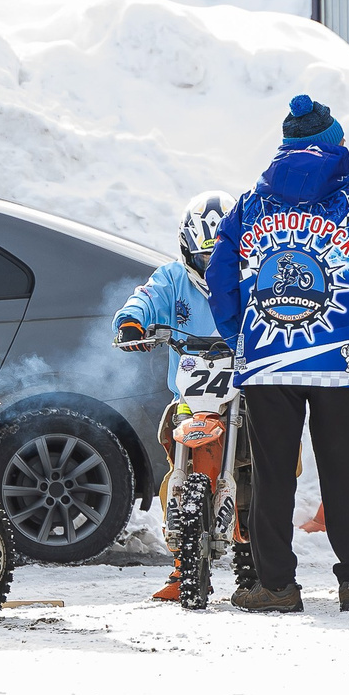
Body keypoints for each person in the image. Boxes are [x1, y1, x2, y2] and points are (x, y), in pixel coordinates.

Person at [203, 96, 349, 614]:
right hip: (346, 364)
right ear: (336, 146)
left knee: (273, 474)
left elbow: (220, 281)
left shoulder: (249, 207)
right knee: (348, 471)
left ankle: (276, 586)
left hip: (270, 364)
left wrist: (242, 337)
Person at [114, 192, 231, 602]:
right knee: (174, 454)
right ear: (187, 249)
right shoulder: (172, 278)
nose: (210, 265)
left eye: (219, 255)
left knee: (280, 456)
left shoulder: (251, 273)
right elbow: (145, 296)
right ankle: (183, 567)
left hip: (245, 382)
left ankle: (263, 567)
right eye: (203, 257)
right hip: (192, 383)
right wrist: (132, 322)